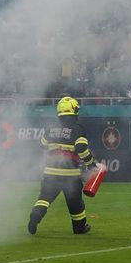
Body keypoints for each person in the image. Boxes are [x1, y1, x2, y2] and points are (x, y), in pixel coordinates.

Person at [27, 95, 95, 235]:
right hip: (71, 176)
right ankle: (79, 227)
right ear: (74, 112)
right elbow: (81, 148)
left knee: (44, 198)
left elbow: (40, 149)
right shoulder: (77, 130)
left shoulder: (50, 130)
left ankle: (36, 215)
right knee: (75, 203)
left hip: (50, 173)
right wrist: (91, 164)